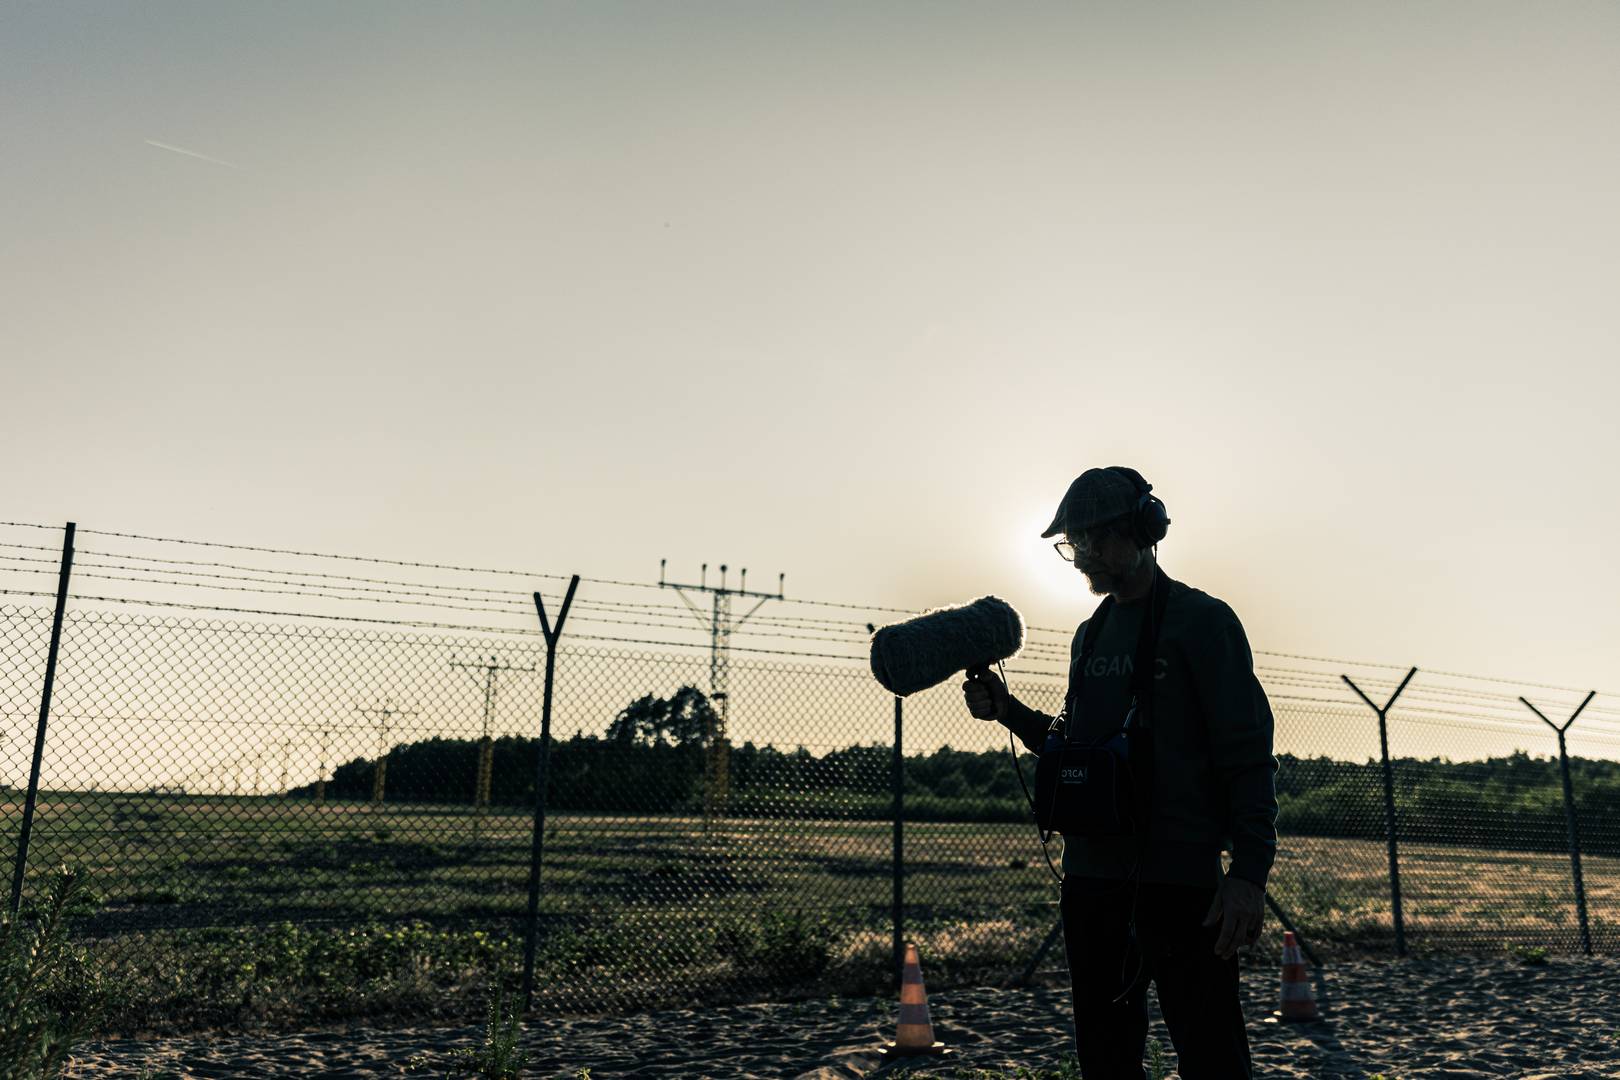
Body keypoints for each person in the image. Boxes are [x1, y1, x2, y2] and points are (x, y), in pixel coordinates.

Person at [963, 466, 1277, 1079]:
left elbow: (1247, 754)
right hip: (1092, 883)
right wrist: (1011, 714)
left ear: (1145, 529)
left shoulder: (1203, 622)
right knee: (1105, 1058)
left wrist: (1249, 874)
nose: (1083, 559)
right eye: (1073, 544)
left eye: (1096, 540)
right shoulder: (1090, 635)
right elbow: (1079, 755)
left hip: (1183, 884)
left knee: (1212, 1054)